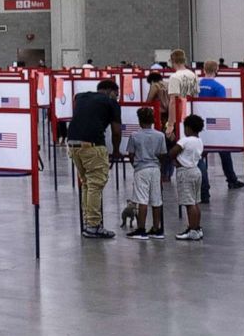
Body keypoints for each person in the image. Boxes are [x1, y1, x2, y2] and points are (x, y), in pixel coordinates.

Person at [66, 79, 122, 239]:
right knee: (96, 185)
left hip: (72, 144)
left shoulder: (81, 97)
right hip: (92, 145)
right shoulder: (111, 103)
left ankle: (88, 222)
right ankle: (93, 226)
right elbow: (117, 131)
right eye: (116, 95)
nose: (116, 98)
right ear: (111, 91)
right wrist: (116, 151)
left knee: (86, 184)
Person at [197, 60, 244, 198]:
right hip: (215, 124)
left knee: (200, 156)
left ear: (204, 69)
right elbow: (221, 108)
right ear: (217, 70)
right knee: (224, 151)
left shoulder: (196, 85)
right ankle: (231, 180)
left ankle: (203, 187)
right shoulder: (219, 87)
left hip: (199, 124)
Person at [123, 107, 168, 239]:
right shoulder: (160, 135)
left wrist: (136, 164)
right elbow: (162, 154)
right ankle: (156, 229)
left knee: (142, 200)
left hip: (141, 169)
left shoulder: (135, 135)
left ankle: (141, 229)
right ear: (153, 120)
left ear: (139, 121)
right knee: (156, 200)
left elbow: (131, 154)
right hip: (155, 169)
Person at [167, 115, 207, 241]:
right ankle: (197, 228)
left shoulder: (184, 140)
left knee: (189, 204)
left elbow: (172, 153)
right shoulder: (199, 141)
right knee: (195, 202)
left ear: (188, 128)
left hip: (185, 173)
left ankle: (192, 230)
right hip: (196, 171)